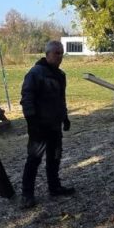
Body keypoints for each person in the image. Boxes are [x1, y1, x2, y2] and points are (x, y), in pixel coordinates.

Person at [19, 41, 74, 208]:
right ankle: (27, 195)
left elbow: (60, 99)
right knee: (34, 159)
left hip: (54, 125)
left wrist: (65, 117)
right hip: (39, 125)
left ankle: (54, 187)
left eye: (61, 53)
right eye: (56, 53)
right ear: (47, 54)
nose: (59, 57)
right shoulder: (35, 73)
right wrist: (31, 121)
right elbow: (26, 98)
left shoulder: (60, 75)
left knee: (55, 157)